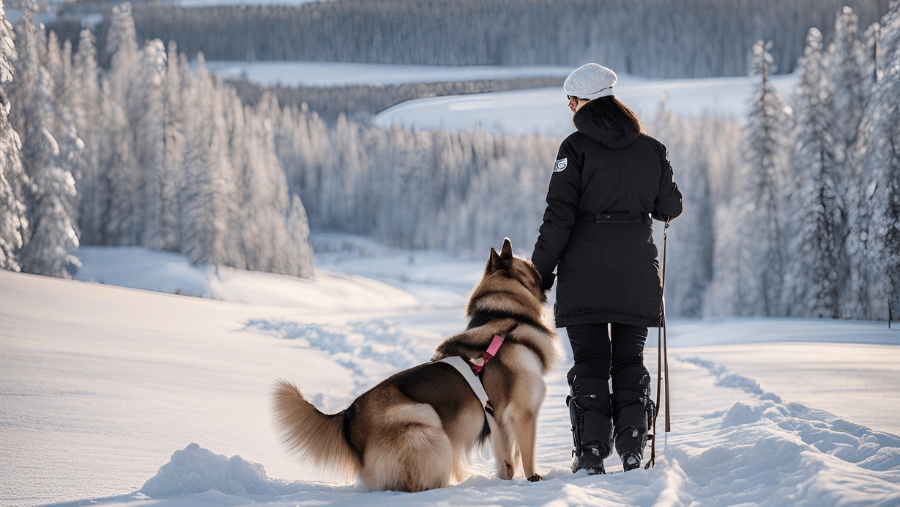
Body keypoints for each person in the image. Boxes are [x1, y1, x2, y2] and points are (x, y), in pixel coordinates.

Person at [531, 63, 682, 475]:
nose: (568, 106)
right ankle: (633, 446)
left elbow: (558, 217)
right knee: (629, 360)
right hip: (636, 273)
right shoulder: (652, 148)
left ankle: (591, 452)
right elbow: (670, 207)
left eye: (571, 100)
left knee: (591, 362)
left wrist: (538, 272)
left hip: (584, 274)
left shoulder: (574, 148)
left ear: (584, 102)